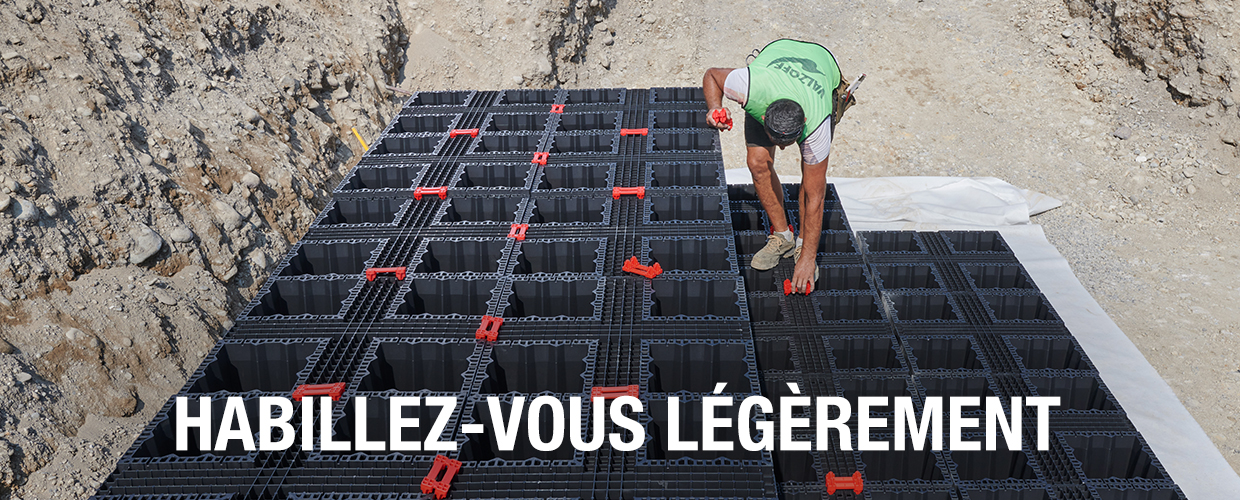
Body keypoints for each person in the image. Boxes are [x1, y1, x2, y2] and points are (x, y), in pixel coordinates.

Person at [702, 38, 849, 293]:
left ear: (803, 123)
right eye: (776, 141)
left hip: (822, 64)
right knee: (757, 163)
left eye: (787, 143)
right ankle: (783, 236)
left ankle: (802, 244)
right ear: (763, 116)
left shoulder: (817, 125)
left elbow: (815, 197)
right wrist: (715, 108)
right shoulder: (750, 88)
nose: (781, 149)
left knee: (811, 181)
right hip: (775, 62)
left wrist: (809, 258)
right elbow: (712, 75)